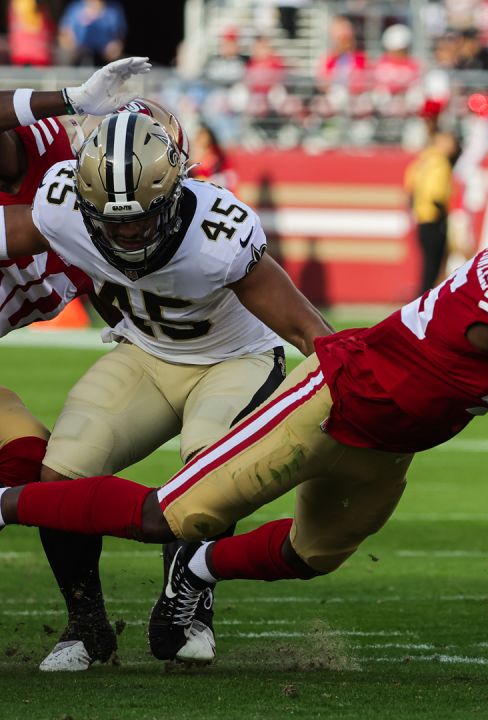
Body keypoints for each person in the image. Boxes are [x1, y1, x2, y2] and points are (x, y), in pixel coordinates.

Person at [0, 169, 488, 687]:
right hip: (330, 401)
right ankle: (7, 502)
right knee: (168, 513)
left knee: (313, 554)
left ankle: (193, 575)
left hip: (390, 442)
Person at [0, 110, 333, 669]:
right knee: (60, 473)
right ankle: (86, 625)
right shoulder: (60, 204)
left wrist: (354, 382)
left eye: (142, 217)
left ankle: (189, 609)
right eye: (113, 220)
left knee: (205, 474)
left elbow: (306, 329)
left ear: (176, 191)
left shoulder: (219, 232)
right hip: (145, 354)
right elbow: (12, 231)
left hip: (236, 359)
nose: (127, 231)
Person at [0, 58, 155, 673]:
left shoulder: (136, 223)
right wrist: (63, 96)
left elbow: (111, 286)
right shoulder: (47, 162)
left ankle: (88, 626)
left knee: (42, 470)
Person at [404, 130, 459, 291]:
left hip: (422, 217)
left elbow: (410, 187)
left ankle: (420, 303)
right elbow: (437, 193)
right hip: (435, 218)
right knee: (433, 270)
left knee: (427, 268)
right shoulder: (440, 162)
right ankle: (424, 306)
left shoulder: (422, 160)